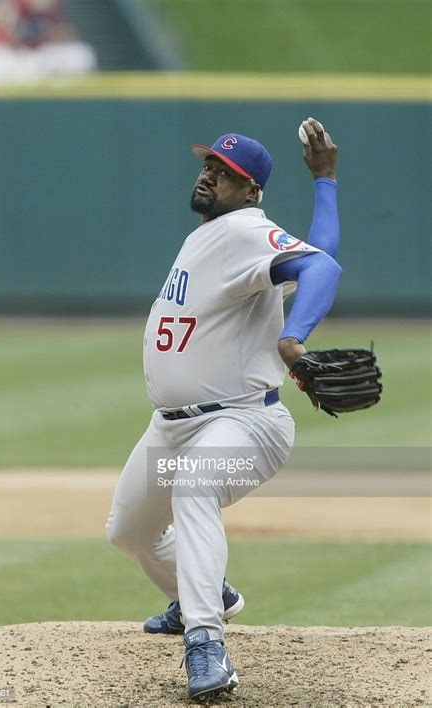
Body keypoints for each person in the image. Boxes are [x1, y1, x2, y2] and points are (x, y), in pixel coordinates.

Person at [106, 117, 341, 701]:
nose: (211, 176)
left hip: (243, 421)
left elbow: (322, 267)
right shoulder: (218, 235)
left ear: (251, 191)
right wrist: (325, 182)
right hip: (171, 428)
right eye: (210, 165)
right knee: (129, 534)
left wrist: (295, 338)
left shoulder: (242, 231)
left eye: (227, 173)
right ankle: (205, 599)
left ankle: (207, 645)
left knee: (193, 487)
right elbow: (320, 251)